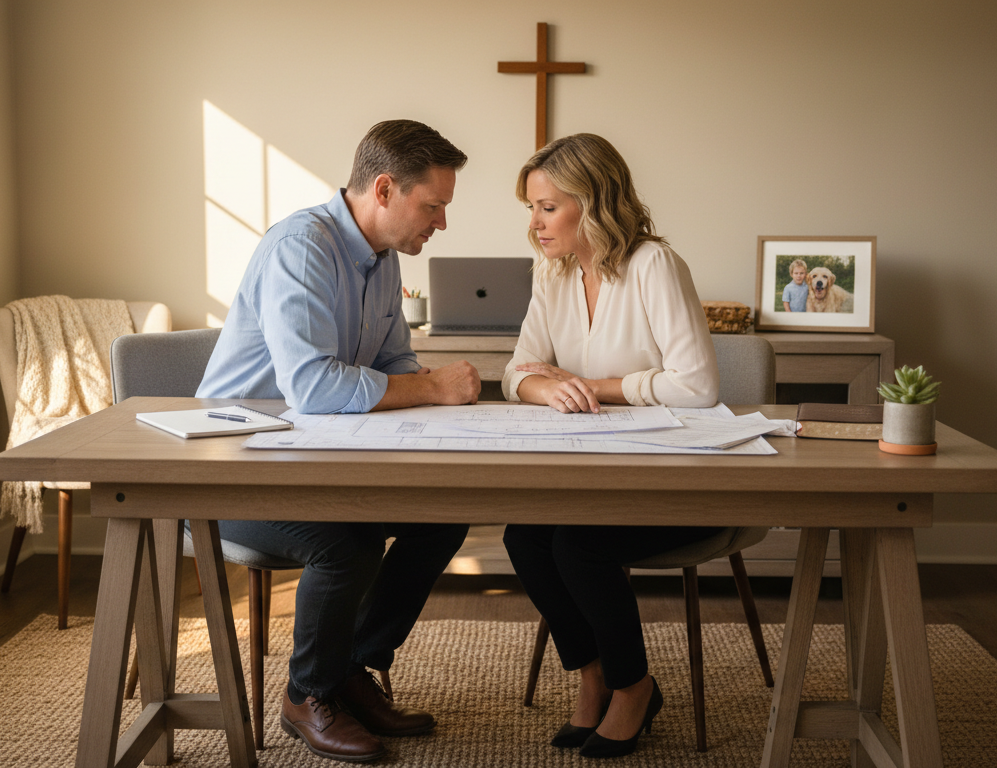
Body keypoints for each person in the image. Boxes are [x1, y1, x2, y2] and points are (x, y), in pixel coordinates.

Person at [196, 119, 479, 763]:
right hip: (231, 468)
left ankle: (354, 665)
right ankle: (308, 694)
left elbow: (396, 364)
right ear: (385, 189)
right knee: (345, 545)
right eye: (432, 206)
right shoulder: (301, 247)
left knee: (442, 517)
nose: (441, 223)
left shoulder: (383, 261)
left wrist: (439, 402)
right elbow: (316, 388)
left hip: (313, 459)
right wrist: (433, 390)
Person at [500, 134, 721, 759]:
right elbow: (517, 371)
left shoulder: (655, 264)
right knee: (525, 535)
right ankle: (594, 673)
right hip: (595, 477)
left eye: (547, 207)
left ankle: (634, 686)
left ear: (592, 203)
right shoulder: (554, 270)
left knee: (578, 543)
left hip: (681, 480)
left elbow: (699, 387)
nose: (535, 225)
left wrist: (592, 385)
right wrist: (548, 387)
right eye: (531, 209)